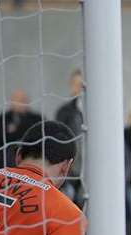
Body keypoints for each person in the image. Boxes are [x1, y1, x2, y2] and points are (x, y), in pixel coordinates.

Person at [55, 69, 86, 205]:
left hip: (94, 167)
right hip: (71, 169)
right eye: (75, 84)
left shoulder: (100, 109)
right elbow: (58, 138)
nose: (78, 87)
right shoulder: (64, 112)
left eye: (81, 84)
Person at [0, 89, 43, 169]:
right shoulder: (3, 119)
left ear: (28, 101)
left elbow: (40, 138)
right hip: (6, 158)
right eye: (17, 100)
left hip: (33, 157)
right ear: (11, 102)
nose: (20, 103)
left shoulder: (37, 118)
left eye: (23, 100)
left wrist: (16, 130)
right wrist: (23, 131)